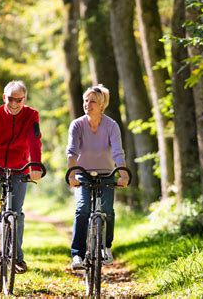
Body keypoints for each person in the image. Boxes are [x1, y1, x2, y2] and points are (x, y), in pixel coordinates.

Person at [0, 80, 43, 274]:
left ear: (24, 99)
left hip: (19, 167)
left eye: (18, 100)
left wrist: (35, 165)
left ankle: (17, 258)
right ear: (4, 97)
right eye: (10, 99)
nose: (14, 104)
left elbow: (34, 141)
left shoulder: (31, 115)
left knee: (16, 213)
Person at [66, 84, 129, 270]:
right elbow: (71, 152)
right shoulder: (77, 124)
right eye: (86, 100)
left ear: (102, 106)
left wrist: (123, 174)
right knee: (82, 209)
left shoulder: (111, 125)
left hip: (106, 174)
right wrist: (71, 174)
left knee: (107, 211)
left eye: (92, 101)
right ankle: (77, 254)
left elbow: (118, 152)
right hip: (83, 175)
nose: (87, 104)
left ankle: (106, 247)